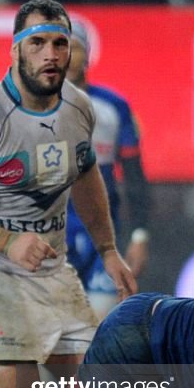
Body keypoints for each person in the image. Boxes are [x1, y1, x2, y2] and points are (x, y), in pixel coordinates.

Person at [0, 0, 136, 388]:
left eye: (60, 43)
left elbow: (87, 174)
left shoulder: (79, 108)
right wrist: (7, 240)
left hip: (53, 271)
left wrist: (110, 249)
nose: (51, 54)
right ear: (15, 50)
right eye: (37, 43)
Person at [64, 19, 150, 319]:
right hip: (52, 233)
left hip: (103, 234)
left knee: (98, 327)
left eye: (72, 47)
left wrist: (139, 237)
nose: (66, 56)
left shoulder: (114, 107)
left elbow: (135, 177)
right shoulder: (33, 106)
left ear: (86, 54)